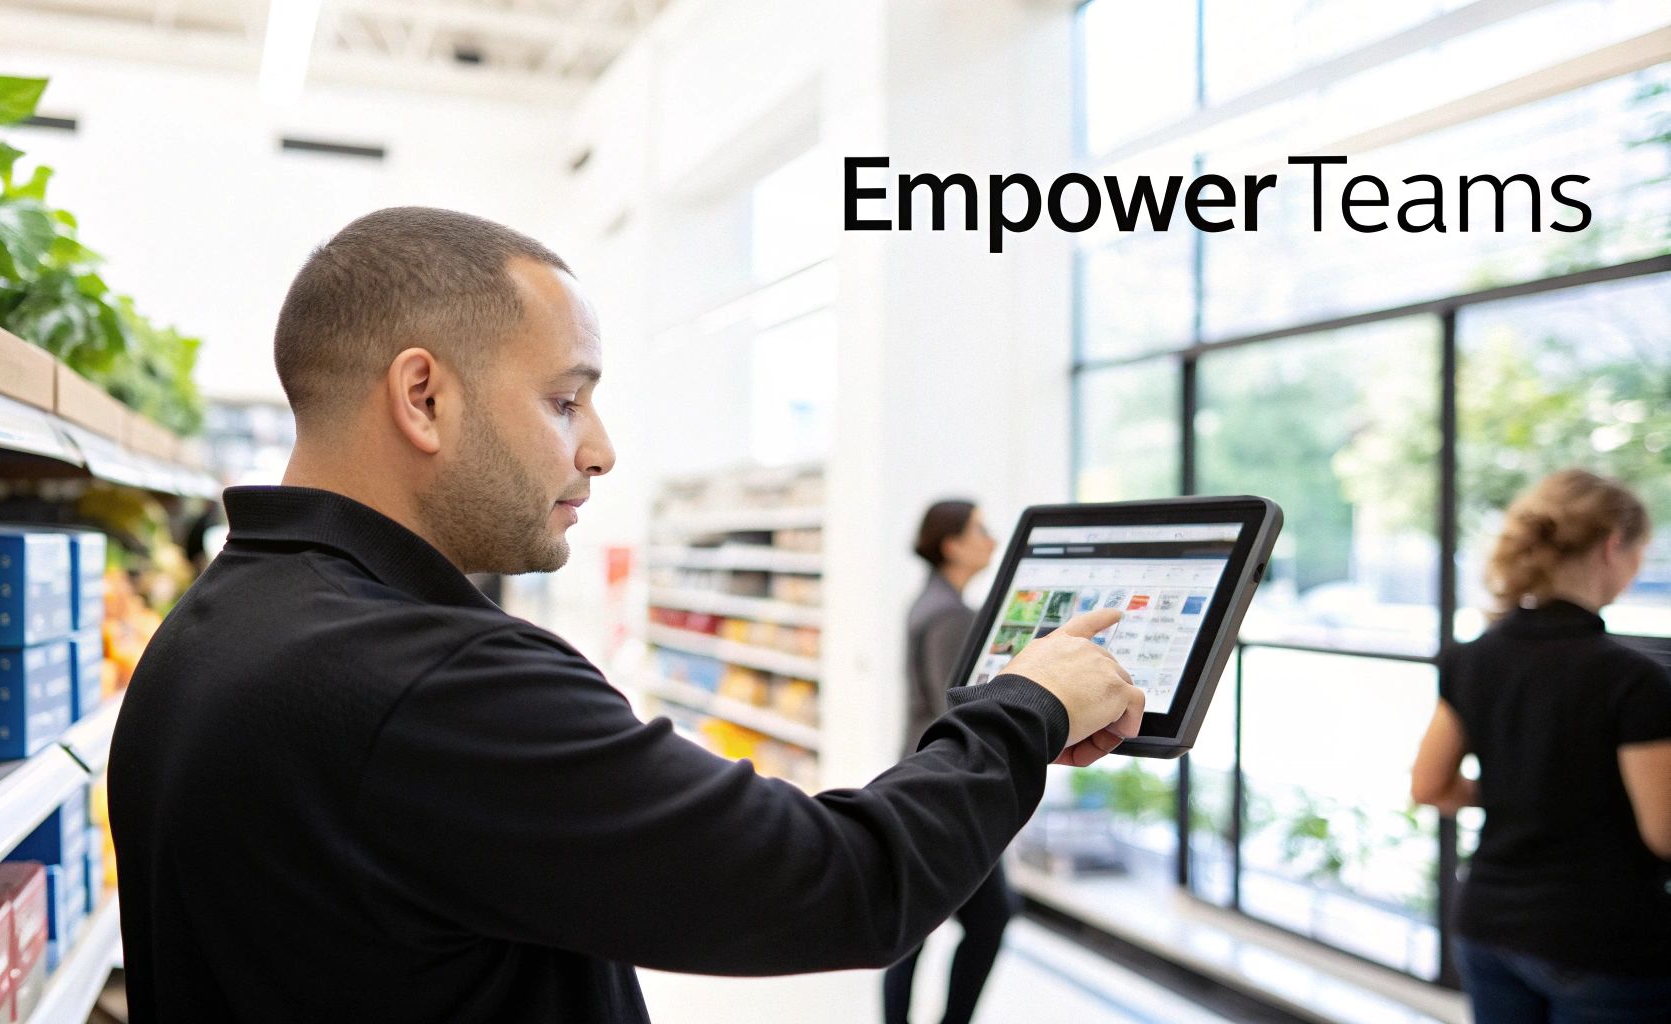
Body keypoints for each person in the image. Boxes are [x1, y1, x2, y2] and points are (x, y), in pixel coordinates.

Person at [107, 207, 1148, 1023]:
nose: (598, 448)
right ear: (421, 397)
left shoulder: (213, 625)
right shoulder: (435, 684)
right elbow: (844, 883)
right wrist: (1023, 708)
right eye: (565, 400)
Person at [1411, 469, 1671, 1023]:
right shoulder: (1633, 679)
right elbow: (1664, 833)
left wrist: (1520, 785)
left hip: (1488, 927)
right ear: (1611, 548)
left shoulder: (1473, 656)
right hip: (1601, 941)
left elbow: (1430, 786)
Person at [884, 500, 1011, 1024]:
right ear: (952, 544)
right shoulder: (951, 614)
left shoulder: (933, 601)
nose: (993, 539)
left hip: (923, 784)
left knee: (916, 927)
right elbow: (954, 708)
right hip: (947, 795)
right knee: (988, 919)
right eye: (981, 529)